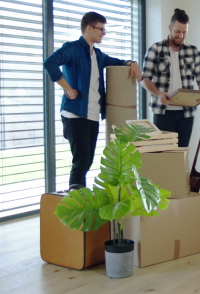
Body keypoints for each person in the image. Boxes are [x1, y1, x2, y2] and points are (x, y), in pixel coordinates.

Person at [43, 11, 142, 187]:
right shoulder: (72, 48)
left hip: (92, 115)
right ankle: (77, 203)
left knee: (87, 161)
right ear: (89, 28)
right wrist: (68, 88)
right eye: (101, 29)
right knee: (81, 162)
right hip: (75, 114)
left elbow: (116, 61)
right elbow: (50, 62)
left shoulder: (97, 54)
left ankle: (80, 199)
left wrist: (131, 63)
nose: (104, 33)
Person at [141, 8, 200, 147]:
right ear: (170, 27)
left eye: (184, 32)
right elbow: (144, 79)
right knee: (164, 155)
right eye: (178, 31)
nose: (181, 36)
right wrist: (159, 94)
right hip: (162, 112)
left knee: (182, 154)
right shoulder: (156, 49)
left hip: (186, 113)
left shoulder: (193, 51)